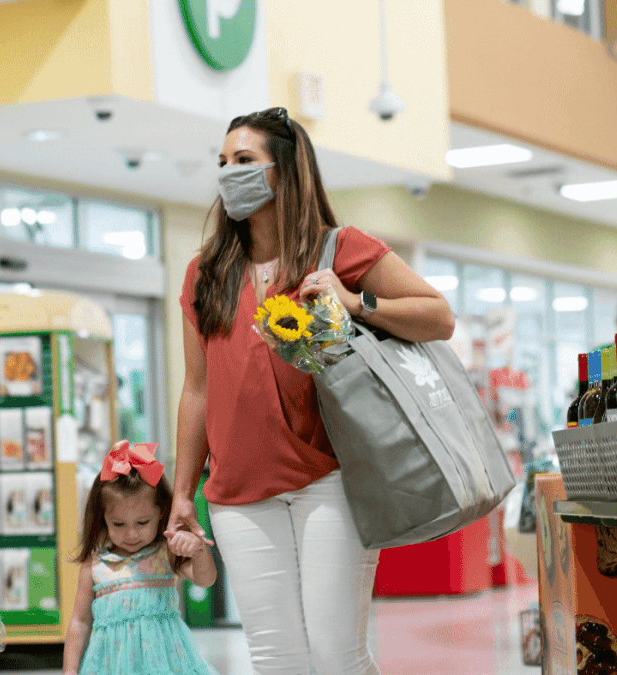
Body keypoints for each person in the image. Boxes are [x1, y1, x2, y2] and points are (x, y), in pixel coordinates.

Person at [169, 107, 454, 675]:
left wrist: (354, 302)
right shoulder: (206, 273)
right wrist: (183, 492)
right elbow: (197, 390)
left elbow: (438, 317)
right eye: (222, 162)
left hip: (329, 477)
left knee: (336, 654)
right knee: (277, 660)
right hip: (237, 491)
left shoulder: (338, 250)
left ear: (286, 170)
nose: (229, 173)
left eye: (244, 161)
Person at [63, 440, 219, 675]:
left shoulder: (165, 552)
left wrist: (199, 551)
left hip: (165, 663)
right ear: (101, 518)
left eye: (142, 522)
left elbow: (205, 579)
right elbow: (80, 621)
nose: (131, 533)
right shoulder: (95, 566)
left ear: (161, 513)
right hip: (111, 665)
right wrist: (70, 671)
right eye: (119, 524)